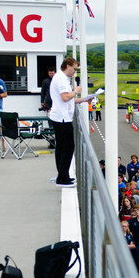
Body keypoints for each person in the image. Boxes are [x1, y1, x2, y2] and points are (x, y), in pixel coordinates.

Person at [49, 57, 92, 187]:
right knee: (68, 147)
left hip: (60, 117)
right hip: (62, 118)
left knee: (62, 147)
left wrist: (84, 99)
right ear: (67, 66)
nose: (75, 71)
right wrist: (76, 91)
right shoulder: (61, 78)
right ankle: (62, 177)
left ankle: (62, 175)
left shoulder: (61, 77)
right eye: (74, 68)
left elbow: (68, 99)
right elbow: (65, 97)